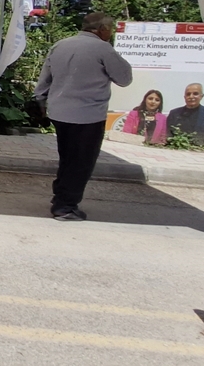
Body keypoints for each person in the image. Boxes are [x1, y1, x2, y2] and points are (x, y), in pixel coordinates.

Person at [34, 13, 133, 221]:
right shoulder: (103, 49)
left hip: (60, 111)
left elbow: (45, 79)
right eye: (110, 28)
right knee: (81, 162)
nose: (111, 32)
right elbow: (124, 79)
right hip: (88, 114)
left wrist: (40, 101)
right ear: (102, 29)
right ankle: (65, 206)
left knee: (67, 157)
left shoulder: (61, 45)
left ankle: (60, 197)